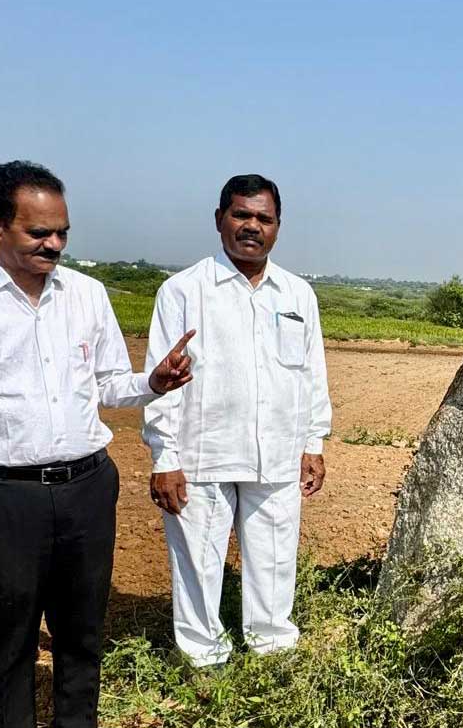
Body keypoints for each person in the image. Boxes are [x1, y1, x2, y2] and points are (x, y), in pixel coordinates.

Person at [0, 161, 194, 728]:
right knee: (8, 645)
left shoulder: (86, 294)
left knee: (83, 636)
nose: (54, 244)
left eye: (62, 232)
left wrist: (150, 383)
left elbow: (108, 383)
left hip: (88, 488)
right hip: (5, 500)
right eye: (38, 233)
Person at [142, 173, 331, 668]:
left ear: (278, 226)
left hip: (278, 451)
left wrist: (315, 442)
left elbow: (312, 374)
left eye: (263, 218)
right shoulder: (183, 291)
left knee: (274, 557)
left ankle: (272, 652)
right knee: (199, 563)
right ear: (220, 219)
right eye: (241, 215)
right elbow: (161, 380)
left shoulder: (296, 295)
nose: (252, 226)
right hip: (203, 451)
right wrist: (165, 455)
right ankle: (203, 658)